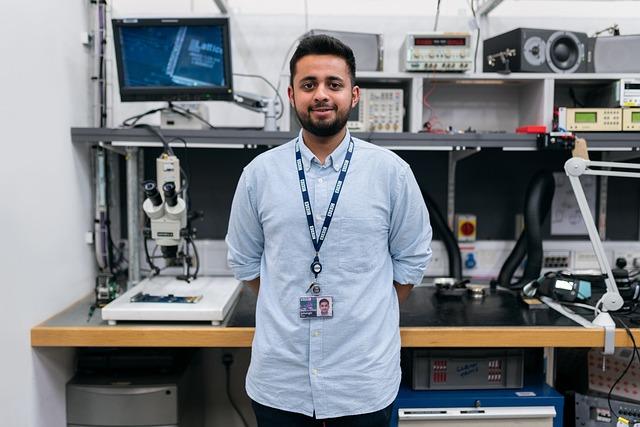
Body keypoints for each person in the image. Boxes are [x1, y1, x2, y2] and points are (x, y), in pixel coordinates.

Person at [226, 34, 432, 427]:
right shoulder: (259, 176)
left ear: (354, 95)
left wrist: (364, 311)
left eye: (333, 84)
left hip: (362, 381)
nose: (321, 94)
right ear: (292, 94)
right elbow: (244, 260)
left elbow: (412, 259)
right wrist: (285, 299)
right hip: (281, 382)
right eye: (309, 84)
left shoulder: (391, 174)